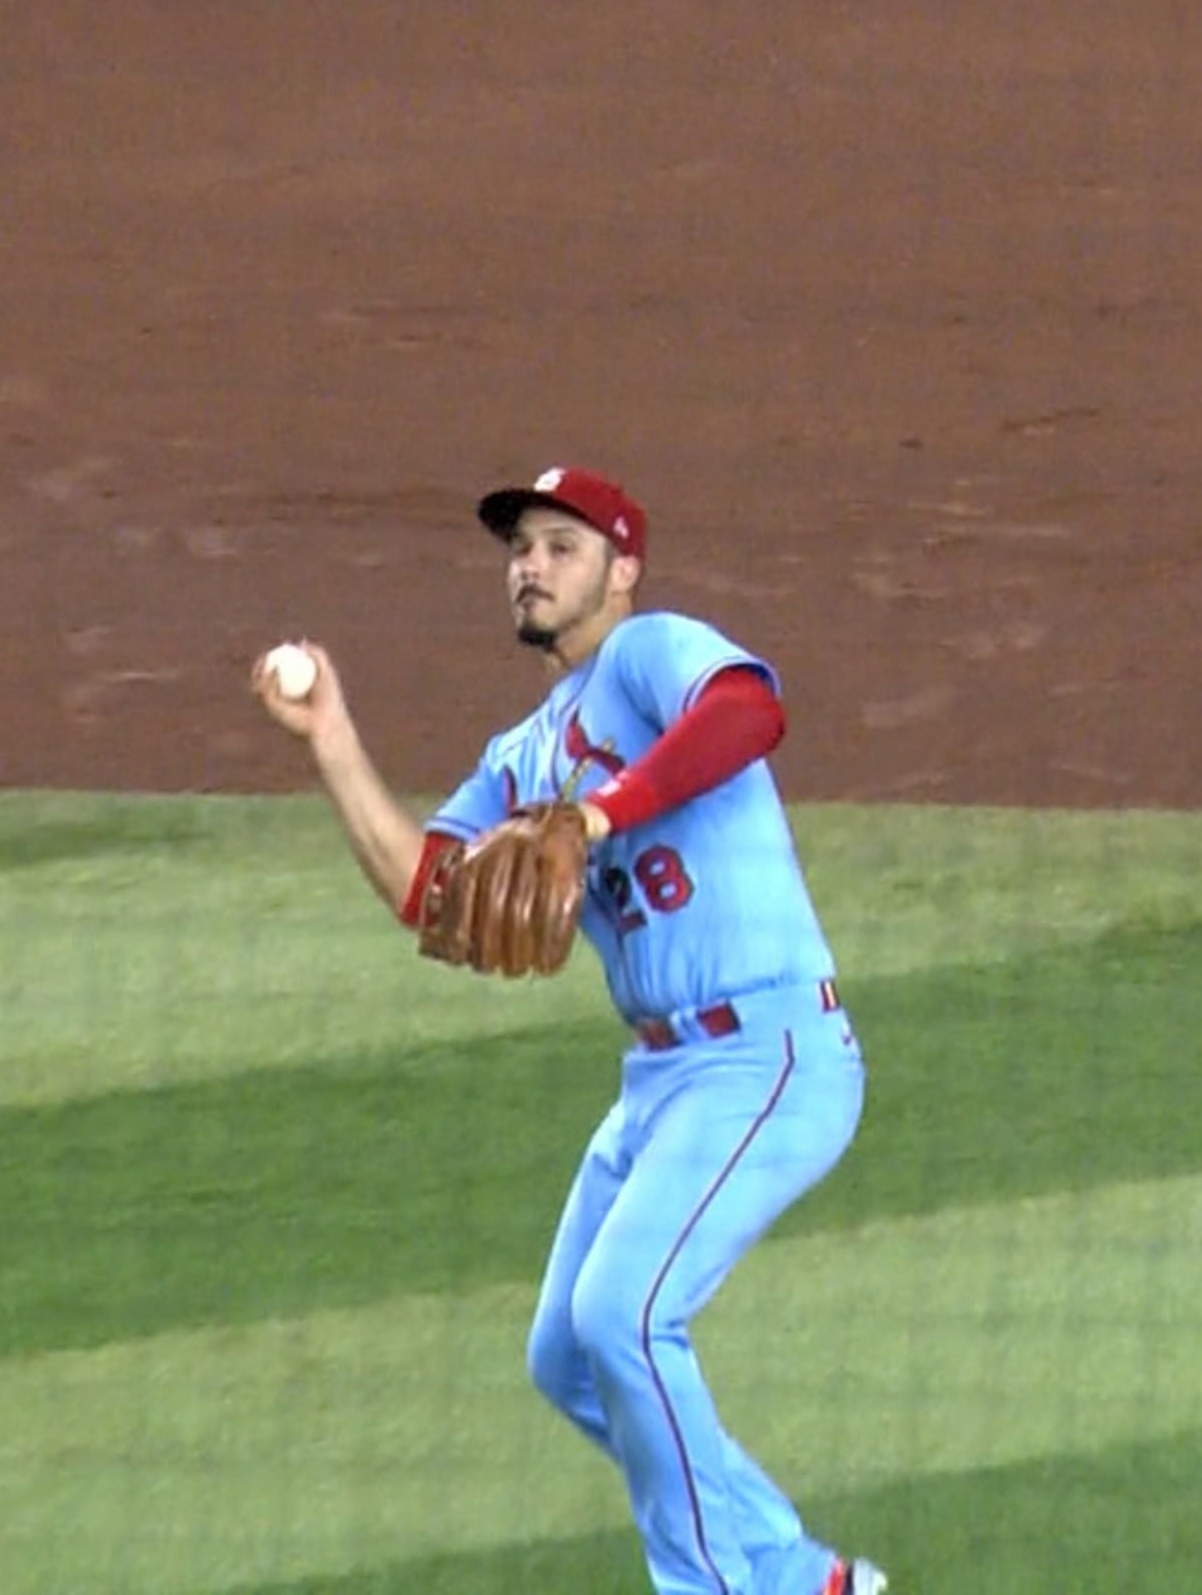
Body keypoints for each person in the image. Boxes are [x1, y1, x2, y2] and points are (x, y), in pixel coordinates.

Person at [252, 465, 889, 1595]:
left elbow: (750, 713)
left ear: (622, 568)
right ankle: (799, 1579)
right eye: (520, 549)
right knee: (570, 1358)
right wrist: (330, 735)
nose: (531, 565)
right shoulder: (524, 751)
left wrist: (600, 812)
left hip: (771, 1052)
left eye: (561, 544)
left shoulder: (649, 658)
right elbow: (429, 894)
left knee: (625, 1318)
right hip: (662, 1079)